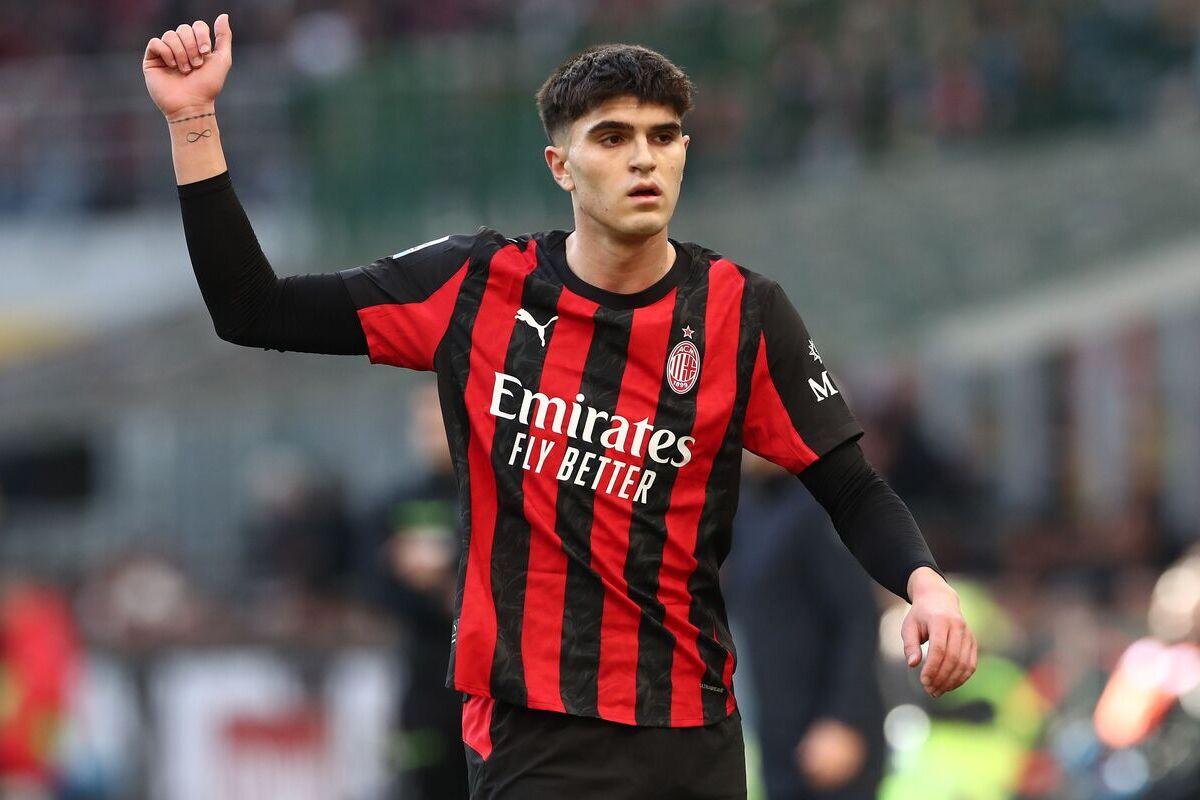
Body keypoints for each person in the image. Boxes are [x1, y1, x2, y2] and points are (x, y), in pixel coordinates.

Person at [143, 16, 977, 798]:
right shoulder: (475, 285)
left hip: (694, 730)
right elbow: (253, 309)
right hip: (534, 730)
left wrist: (925, 585)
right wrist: (192, 124)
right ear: (561, 166)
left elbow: (851, 484)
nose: (643, 159)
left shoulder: (744, 313)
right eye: (613, 138)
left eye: (663, 137)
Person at [725, 454, 885, 800]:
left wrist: (843, 719)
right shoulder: (748, 508)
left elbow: (857, 617)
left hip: (829, 739)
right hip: (779, 735)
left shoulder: (820, 505)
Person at [359, 382, 468, 799]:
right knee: (419, 780)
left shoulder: (493, 495)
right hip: (420, 681)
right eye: (424, 422)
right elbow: (374, 586)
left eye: (440, 421)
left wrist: (443, 567)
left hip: (487, 683)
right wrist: (434, 590)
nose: (432, 432)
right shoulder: (393, 504)